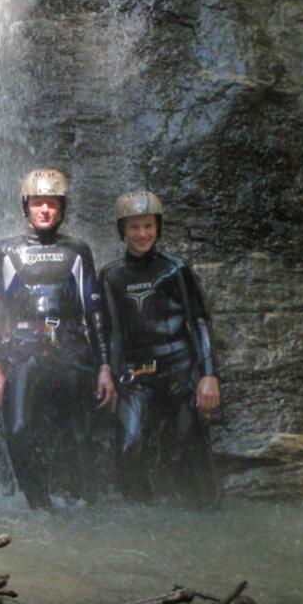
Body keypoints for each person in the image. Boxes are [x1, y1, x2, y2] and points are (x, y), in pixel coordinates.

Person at [0, 168, 115, 508]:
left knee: (78, 433)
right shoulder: (4, 251)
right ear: (26, 207)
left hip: (71, 348)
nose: (45, 210)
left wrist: (104, 366)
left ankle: (85, 504)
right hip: (21, 350)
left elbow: (94, 310)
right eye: (38, 203)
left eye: (52, 204)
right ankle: (39, 506)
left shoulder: (77, 249)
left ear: (62, 209)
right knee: (17, 429)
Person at [98, 190, 221, 506]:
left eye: (148, 226)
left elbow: (200, 322)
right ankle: (141, 520)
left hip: (179, 370)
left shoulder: (175, 269)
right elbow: (112, 332)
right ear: (122, 231)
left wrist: (209, 375)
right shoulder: (111, 275)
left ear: (158, 228)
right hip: (136, 375)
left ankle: (209, 514)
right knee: (127, 448)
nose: (142, 234)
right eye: (134, 227)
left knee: (192, 447)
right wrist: (108, 373)